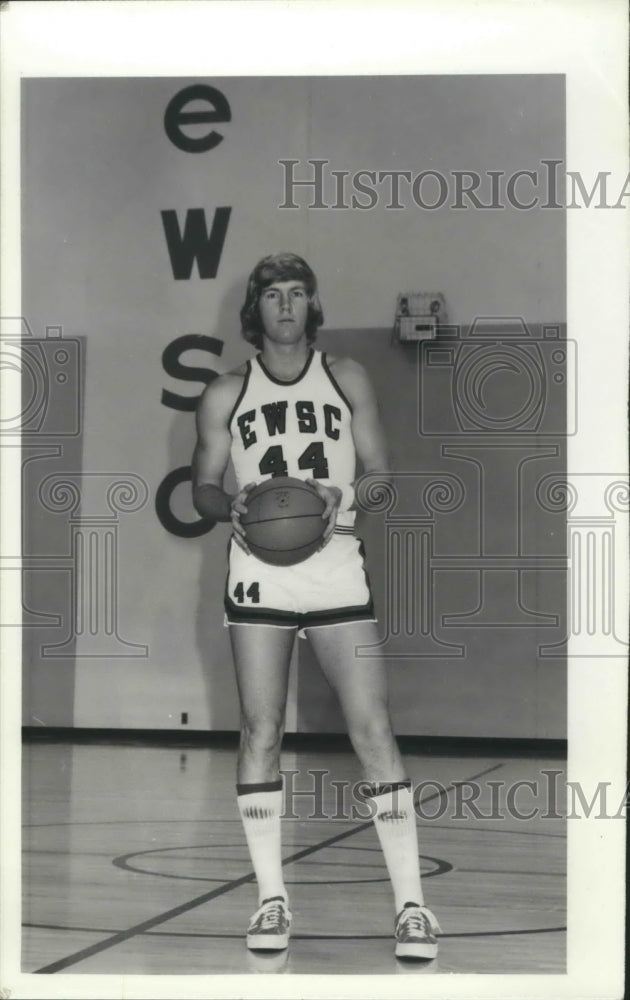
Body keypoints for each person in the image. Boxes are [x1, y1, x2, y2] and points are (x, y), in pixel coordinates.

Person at [192, 252, 440, 960]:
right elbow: (201, 486)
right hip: (258, 574)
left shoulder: (347, 378)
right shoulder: (223, 393)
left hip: (335, 566)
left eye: (299, 292)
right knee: (260, 729)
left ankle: (413, 908)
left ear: (313, 305)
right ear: (256, 310)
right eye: (274, 294)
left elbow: (383, 477)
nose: (287, 304)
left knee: (373, 728)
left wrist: (347, 495)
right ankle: (271, 901)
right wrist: (229, 505)